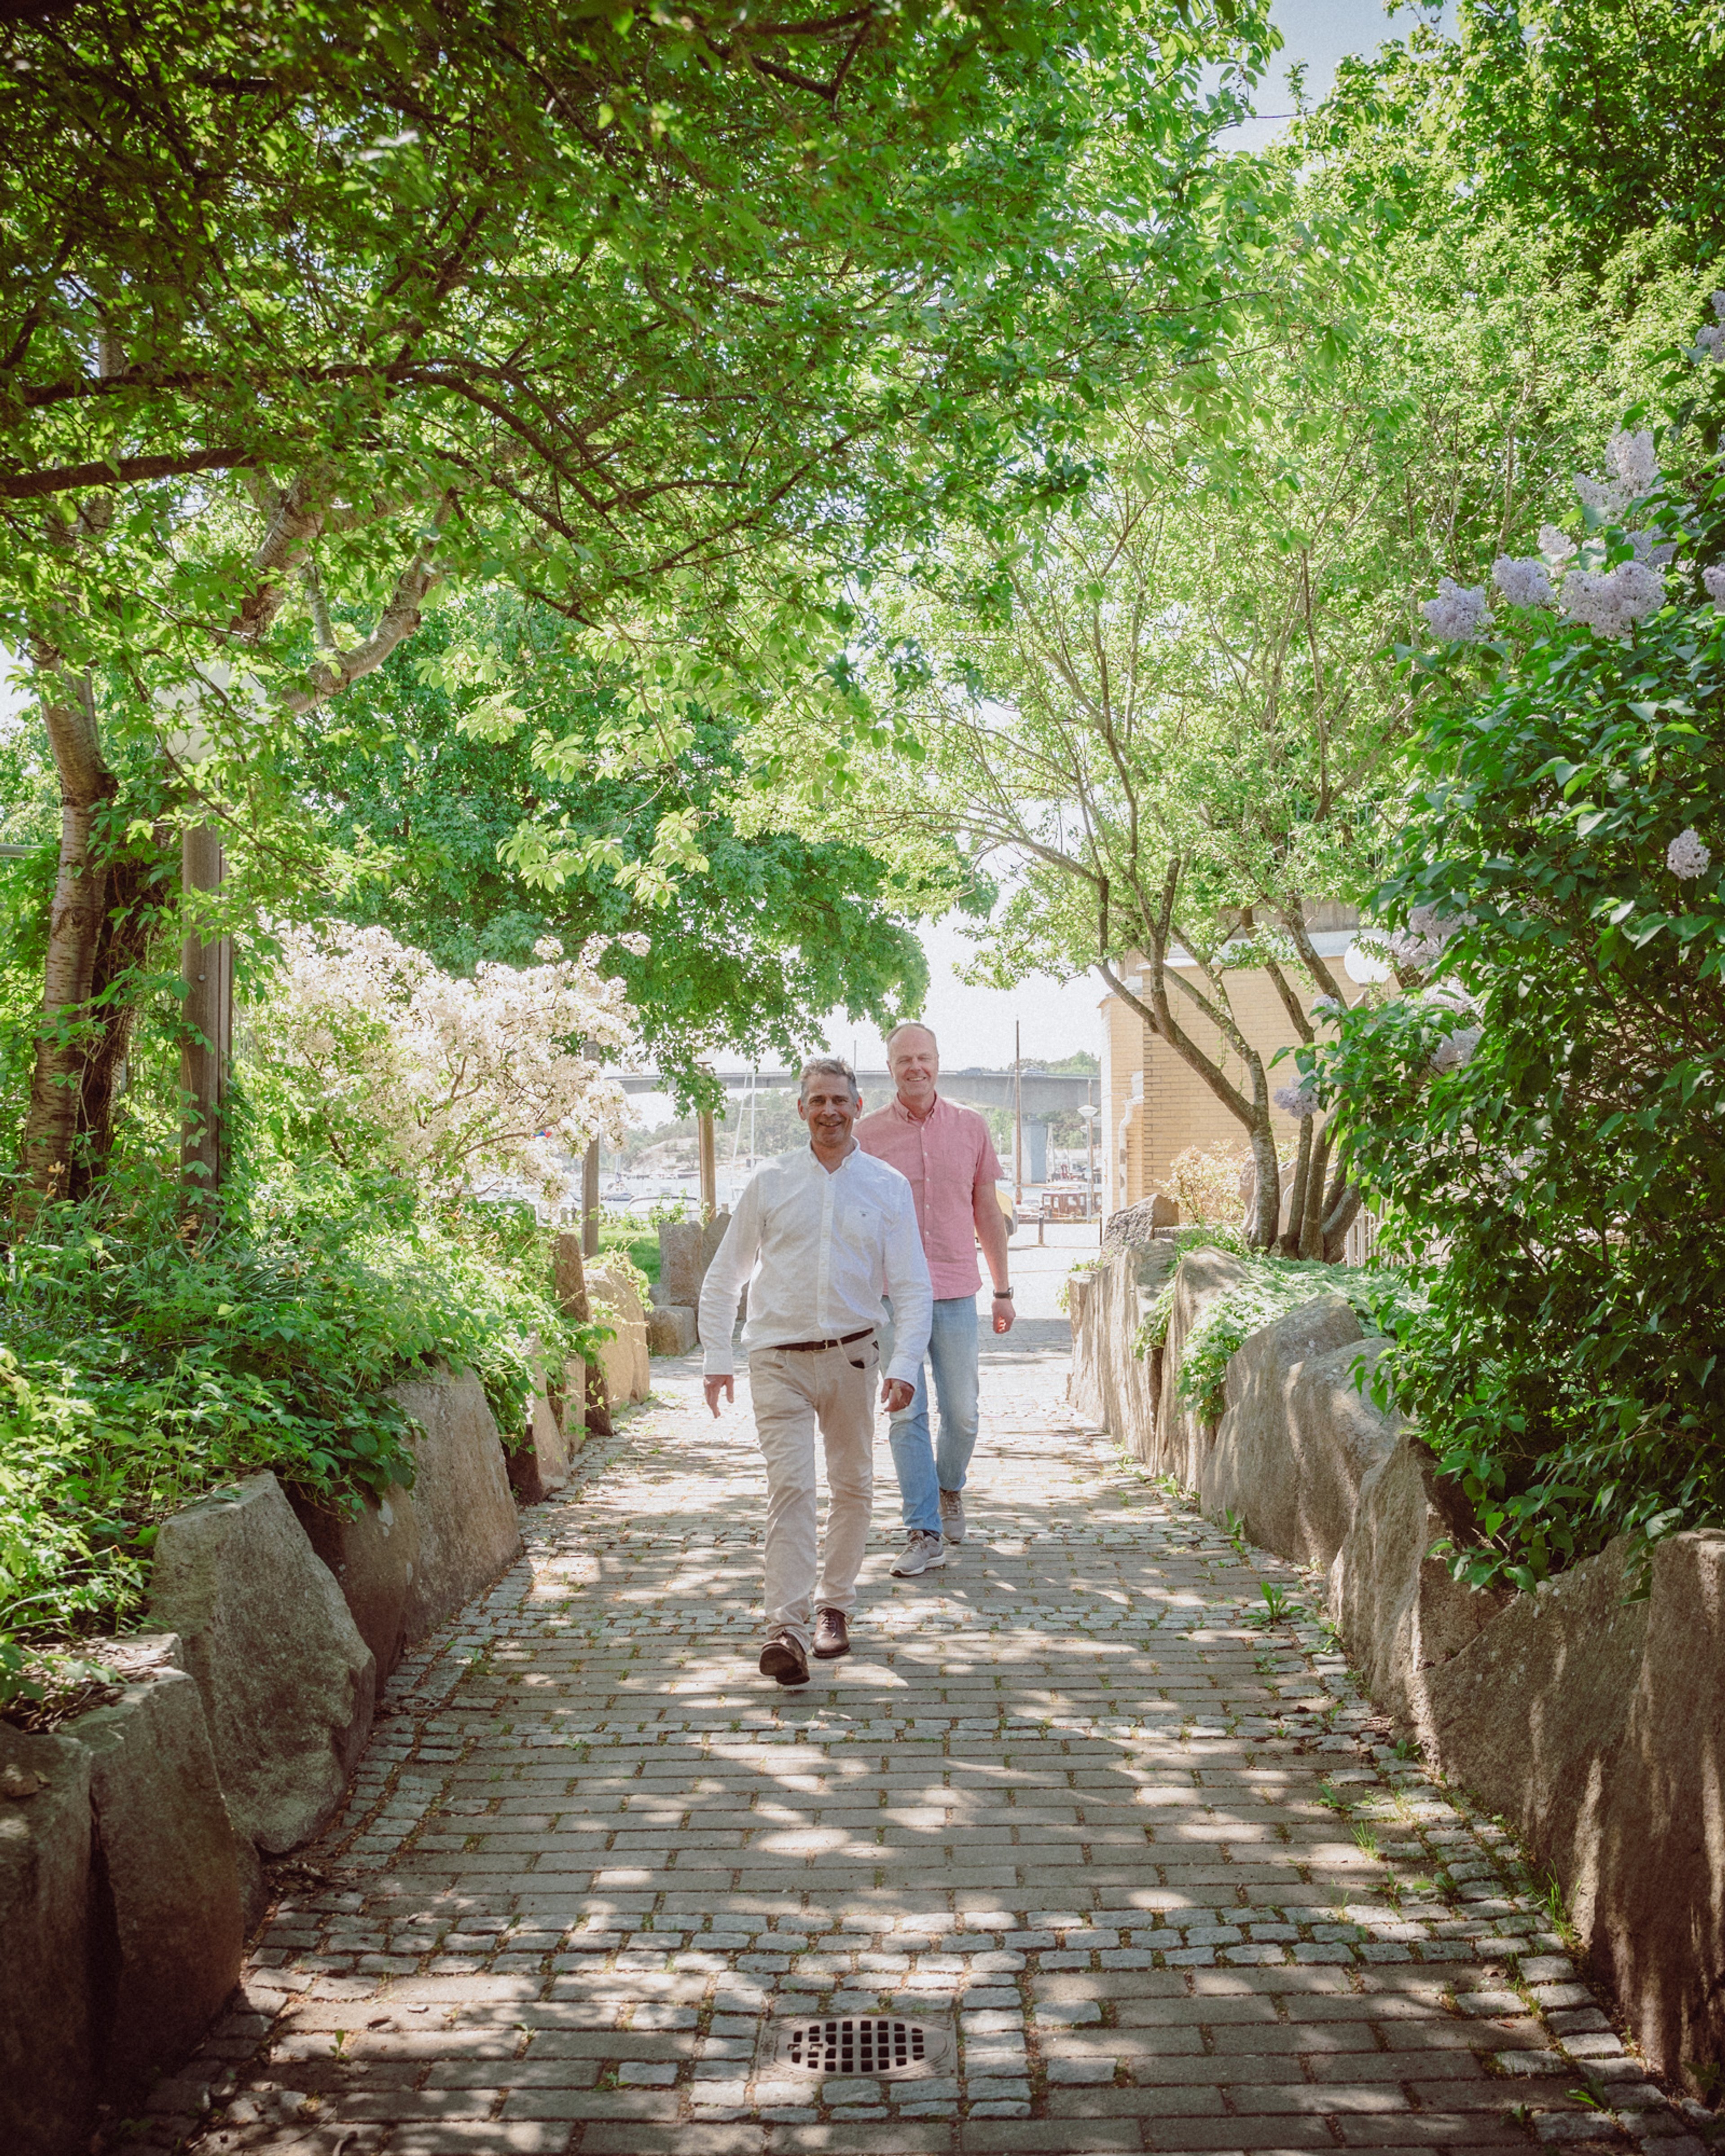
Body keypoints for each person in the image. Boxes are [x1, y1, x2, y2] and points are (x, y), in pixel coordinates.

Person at [700, 1056, 932, 1687]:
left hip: (855, 1357)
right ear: (800, 1110)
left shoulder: (886, 1186)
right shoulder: (770, 1181)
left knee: (853, 1485)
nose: (829, 1110)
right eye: (817, 1100)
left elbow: (912, 1286)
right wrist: (717, 1356)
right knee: (793, 1489)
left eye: (840, 1100)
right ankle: (787, 1627)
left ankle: (835, 1606)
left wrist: (906, 1363)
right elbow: (726, 1276)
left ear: (858, 1107)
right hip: (776, 1360)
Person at [856, 1021, 1014, 1577]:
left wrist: (1003, 1291)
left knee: (964, 1415)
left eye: (923, 1058)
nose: (915, 1068)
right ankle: (923, 1530)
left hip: (952, 1292)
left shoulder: (971, 1127)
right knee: (907, 1415)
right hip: (892, 1297)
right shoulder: (866, 1135)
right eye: (904, 1060)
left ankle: (949, 1488)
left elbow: (988, 1212)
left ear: (938, 1062)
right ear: (891, 1068)